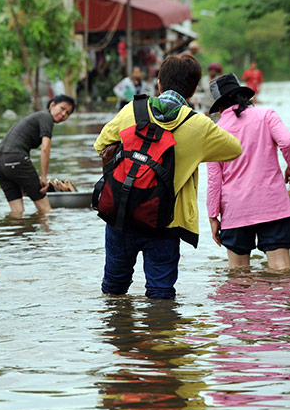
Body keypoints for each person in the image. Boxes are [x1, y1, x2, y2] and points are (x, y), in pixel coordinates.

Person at [94, 53, 242, 299]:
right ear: (194, 90)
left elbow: (101, 144)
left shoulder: (133, 109)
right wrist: (194, 152)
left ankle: (118, 334)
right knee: (161, 293)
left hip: (122, 212)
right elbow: (234, 149)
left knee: (113, 289)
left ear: (159, 82)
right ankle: (161, 333)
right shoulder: (200, 126)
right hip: (167, 219)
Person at [207, 73, 290, 270]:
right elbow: (286, 142)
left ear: (219, 107)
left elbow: (213, 180)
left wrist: (213, 216)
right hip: (272, 205)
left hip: (235, 210)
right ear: (244, 97)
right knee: (281, 270)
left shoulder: (215, 132)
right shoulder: (266, 115)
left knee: (238, 276)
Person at [0, 94, 75, 216]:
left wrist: (21, 179)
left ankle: (14, 234)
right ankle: (47, 235)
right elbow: (45, 148)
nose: (64, 114)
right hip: (15, 160)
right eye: (62, 108)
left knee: (17, 211)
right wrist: (43, 177)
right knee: (46, 210)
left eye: (68, 113)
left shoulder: (37, 117)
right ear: (52, 104)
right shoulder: (46, 117)